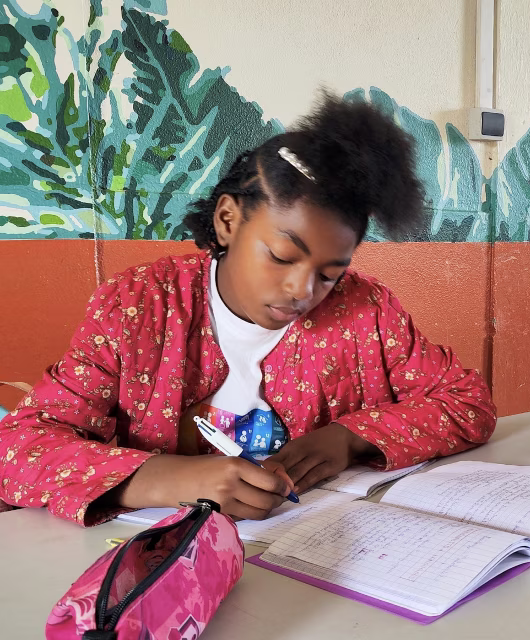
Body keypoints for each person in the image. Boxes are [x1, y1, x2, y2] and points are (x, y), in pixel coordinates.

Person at [0, 95, 496, 525]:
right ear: (227, 220)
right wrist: (157, 478)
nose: (304, 289)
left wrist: (349, 438)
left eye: (330, 273)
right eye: (282, 256)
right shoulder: (137, 305)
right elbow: (18, 445)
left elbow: (467, 401)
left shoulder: (366, 310)